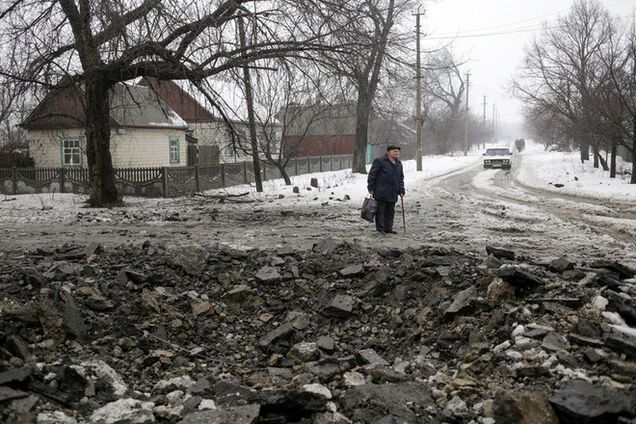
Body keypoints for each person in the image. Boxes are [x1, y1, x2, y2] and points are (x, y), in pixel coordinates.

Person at [367, 144, 405, 234]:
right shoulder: (379, 161)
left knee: (390, 211)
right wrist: (371, 188)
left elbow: (400, 178)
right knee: (381, 211)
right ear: (388, 152)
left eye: (398, 151)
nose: (397, 153)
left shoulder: (399, 164)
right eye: (395, 151)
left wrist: (401, 190)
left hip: (393, 192)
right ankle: (380, 229)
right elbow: (372, 175)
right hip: (381, 191)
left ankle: (388, 228)